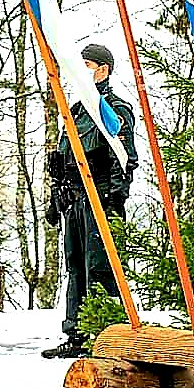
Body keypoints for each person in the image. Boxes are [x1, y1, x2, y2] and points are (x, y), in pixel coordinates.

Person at [41, 44, 138, 359]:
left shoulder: (114, 109)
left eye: (86, 65)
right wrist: (58, 191)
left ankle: (105, 334)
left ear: (103, 70)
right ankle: (76, 334)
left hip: (101, 198)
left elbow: (124, 159)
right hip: (76, 201)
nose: (79, 72)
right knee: (76, 267)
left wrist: (112, 196)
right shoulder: (77, 110)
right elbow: (66, 158)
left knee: (100, 266)